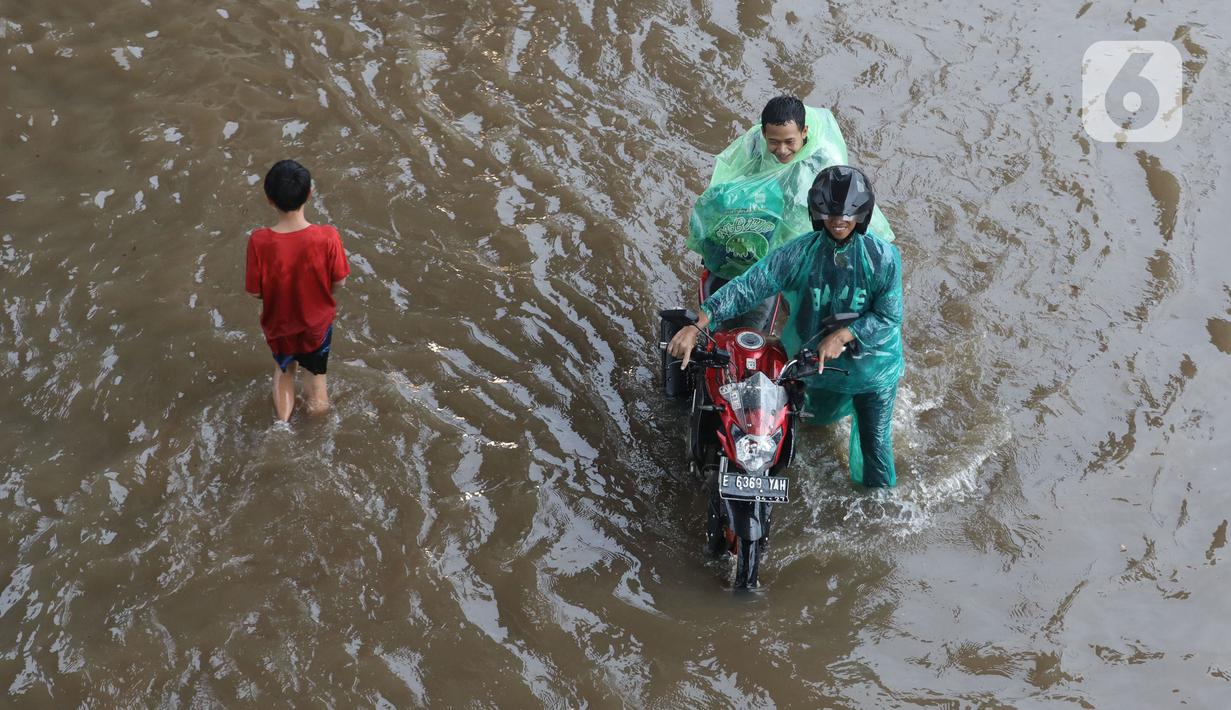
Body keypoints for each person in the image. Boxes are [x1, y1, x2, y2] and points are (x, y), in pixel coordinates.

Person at [669, 165, 904, 488]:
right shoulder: (799, 253)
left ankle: (880, 515)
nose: (839, 223)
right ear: (816, 213)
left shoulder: (884, 259)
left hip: (873, 369)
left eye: (848, 216)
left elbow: (889, 317)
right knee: (806, 424)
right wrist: (700, 322)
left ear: (862, 215)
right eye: (831, 215)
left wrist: (845, 334)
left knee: (874, 448)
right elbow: (750, 285)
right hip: (813, 362)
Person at [685, 95, 896, 329]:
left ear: (804, 132)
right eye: (774, 142)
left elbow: (839, 207)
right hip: (763, 216)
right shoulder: (754, 144)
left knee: (776, 292)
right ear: (764, 133)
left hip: (796, 223)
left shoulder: (823, 160)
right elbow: (731, 184)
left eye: (789, 141)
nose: (782, 150)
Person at [245, 159, 350, 421]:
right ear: (310, 194)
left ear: (269, 200)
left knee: (284, 371)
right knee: (316, 380)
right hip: (316, 325)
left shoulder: (259, 241)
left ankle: (281, 426)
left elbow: (254, 291)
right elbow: (339, 282)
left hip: (280, 325)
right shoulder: (328, 237)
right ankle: (316, 430)